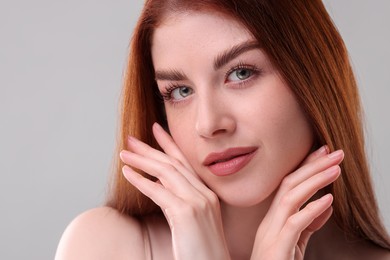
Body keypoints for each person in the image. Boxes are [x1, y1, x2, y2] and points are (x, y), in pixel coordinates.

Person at [55, 0, 390, 259]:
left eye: (241, 73)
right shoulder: (105, 245)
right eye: (180, 91)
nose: (209, 124)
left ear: (313, 75)